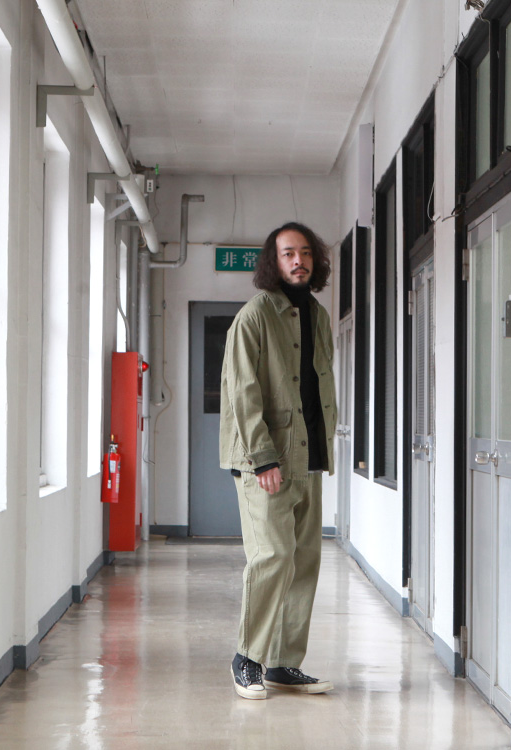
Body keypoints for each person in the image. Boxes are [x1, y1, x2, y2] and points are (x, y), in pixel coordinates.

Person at [219, 221, 337, 700]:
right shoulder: (254, 316)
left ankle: (284, 664)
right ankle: (247, 658)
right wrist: (264, 457)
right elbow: (242, 393)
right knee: (272, 556)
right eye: (288, 253)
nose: (298, 261)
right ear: (274, 261)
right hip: (264, 461)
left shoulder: (319, 316)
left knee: (304, 560)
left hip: (307, 457)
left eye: (305, 252)